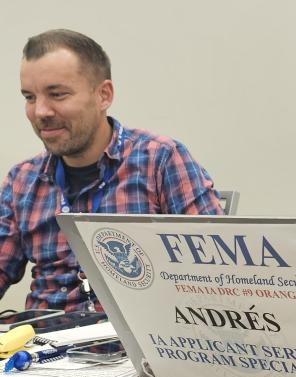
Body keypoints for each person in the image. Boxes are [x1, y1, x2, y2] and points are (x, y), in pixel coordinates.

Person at [0, 29, 223, 312]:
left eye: (57, 94)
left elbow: (218, 278)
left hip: (132, 346)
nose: (40, 111)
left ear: (103, 95)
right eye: (30, 97)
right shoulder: (22, 180)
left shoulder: (160, 160)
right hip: (41, 346)